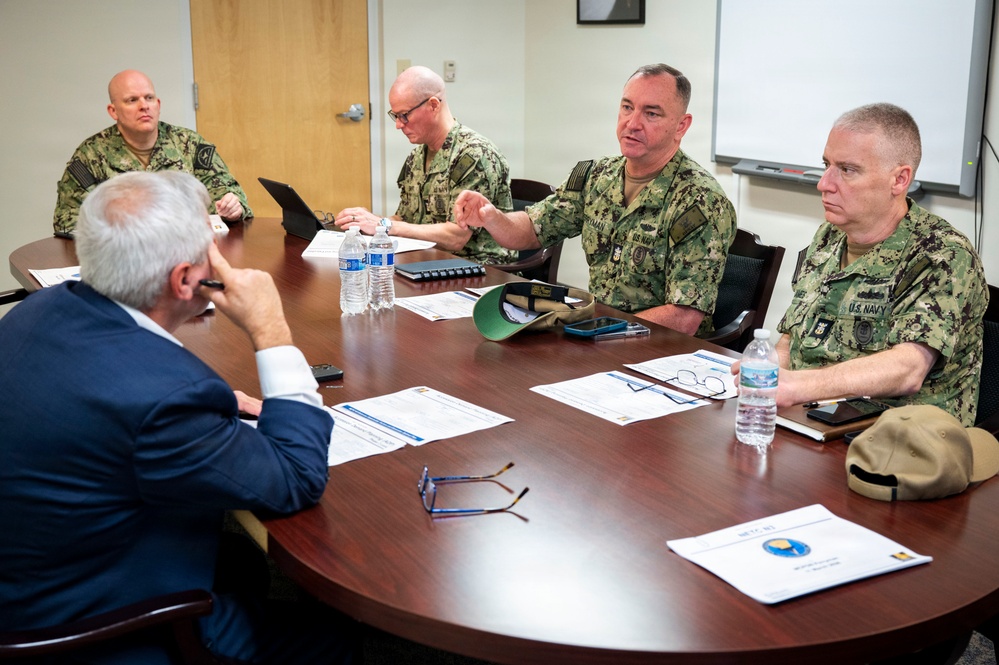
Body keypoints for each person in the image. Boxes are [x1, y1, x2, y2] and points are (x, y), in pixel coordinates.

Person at [0, 171, 357, 664]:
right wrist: (271, 328)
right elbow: (296, 478)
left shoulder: (38, 308)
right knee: (333, 640)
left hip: (32, 564)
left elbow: (109, 389)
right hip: (83, 627)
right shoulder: (164, 398)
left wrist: (203, 404)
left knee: (240, 560)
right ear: (186, 279)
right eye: (212, 248)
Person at [454, 63, 737, 336]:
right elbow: (532, 229)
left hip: (658, 348)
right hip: (599, 332)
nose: (632, 123)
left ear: (681, 126)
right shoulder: (597, 175)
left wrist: (600, 330)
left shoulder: (699, 201)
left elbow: (684, 318)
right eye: (627, 107)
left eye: (651, 114)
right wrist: (491, 217)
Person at [772, 103, 988, 426]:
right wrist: (766, 371)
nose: (824, 183)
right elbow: (793, 335)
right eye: (826, 165)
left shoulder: (941, 254)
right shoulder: (829, 236)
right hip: (813, 419)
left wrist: (799, 386)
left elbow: (907, 369)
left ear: (899, 180)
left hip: (899, 438)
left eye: (847, 170)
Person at [334, 65, 516, 265]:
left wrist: (384, 225)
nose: (398, 125)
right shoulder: (417, 157)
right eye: (395, 116)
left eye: (404, 115)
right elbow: (404, 219)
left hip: (479, 269)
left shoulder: (474, 155)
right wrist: (366, 224)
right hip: (428, 261)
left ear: (433, 105)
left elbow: (457, 237)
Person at [52, 69, 253, 234]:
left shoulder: (189, 144)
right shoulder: (91, 155)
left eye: (149, 98)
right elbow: (67, 219)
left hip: (186, 252)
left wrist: (232, 208)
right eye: (132, 100)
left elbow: (226, 192)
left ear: (158, 105)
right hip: (124, 257)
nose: (144, 106)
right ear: (113, 111)